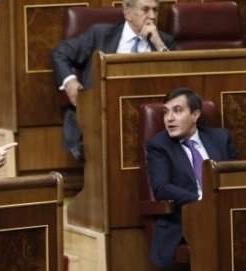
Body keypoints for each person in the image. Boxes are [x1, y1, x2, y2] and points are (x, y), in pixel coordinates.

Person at [50, 0, 176, 161]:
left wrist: (158, 44)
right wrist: (70, 81)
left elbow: (175, 74)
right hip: (102, 115)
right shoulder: (100, 34)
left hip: (147, 116)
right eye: (146, 10)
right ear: (127, 11)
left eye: (155, 10)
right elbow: (59, 53)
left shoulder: (164, 42)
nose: (152, 16)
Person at [146, 87, 238, 267]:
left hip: (226, 213)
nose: (169, 118)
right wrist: (202, 199)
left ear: (195, 115)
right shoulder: (159, 145)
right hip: (186, 219)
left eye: (177, 111)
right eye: (165, 112)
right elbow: (161, 188)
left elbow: (237, 177)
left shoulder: (220, 138)